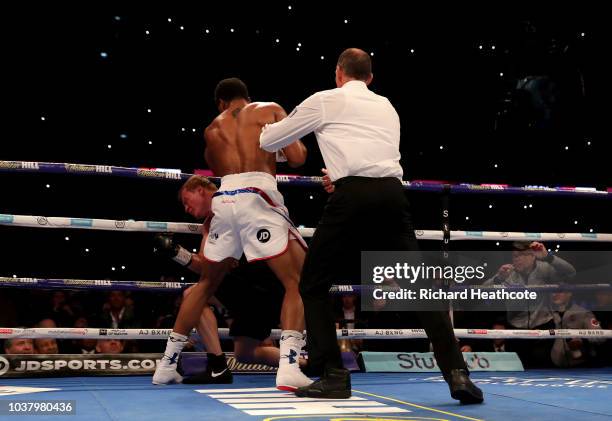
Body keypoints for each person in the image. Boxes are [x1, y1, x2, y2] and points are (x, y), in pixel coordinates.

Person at [259, 48, 483, 403]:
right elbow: (369, 152)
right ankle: (458, 375)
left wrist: (269, 120)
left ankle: (333, 374)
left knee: (313, 283)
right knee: (419, 288)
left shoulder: (325, 99)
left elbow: (268, 140)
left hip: (352, 197)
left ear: (338, 73)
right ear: (370, 78)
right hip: (392, 197)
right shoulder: (387, 105)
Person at [154, 78, 311, 391]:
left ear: (220, 104)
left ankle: (166, 365)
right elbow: (297, 157)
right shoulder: (269, 110)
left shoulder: (212, 129)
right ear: (245, 97)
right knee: (298, 281)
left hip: (224, 199)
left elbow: (218, 165)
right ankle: (290, 366)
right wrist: (275, 148)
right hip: (258, 196)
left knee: (205, 284)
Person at [153, 175, 304, 384]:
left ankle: (217, 366)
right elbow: (207, 267)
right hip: (257, 294)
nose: (186, 208)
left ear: (200, 190)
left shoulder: (229, 211)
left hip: (263, 285)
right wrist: (177, 253)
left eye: (187, 201)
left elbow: (208, 273)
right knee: (245, 354)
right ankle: (302, 364)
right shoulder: (211, 224)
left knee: (193, 294)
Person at [550, 291, 604, 367]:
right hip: (552, 366)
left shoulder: (583, 312)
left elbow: (600, 336)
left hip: (580, 365)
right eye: (552, 291)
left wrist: (582, 340)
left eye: (560, 291)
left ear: (569, 293)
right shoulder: (547, 313)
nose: (555, 294)